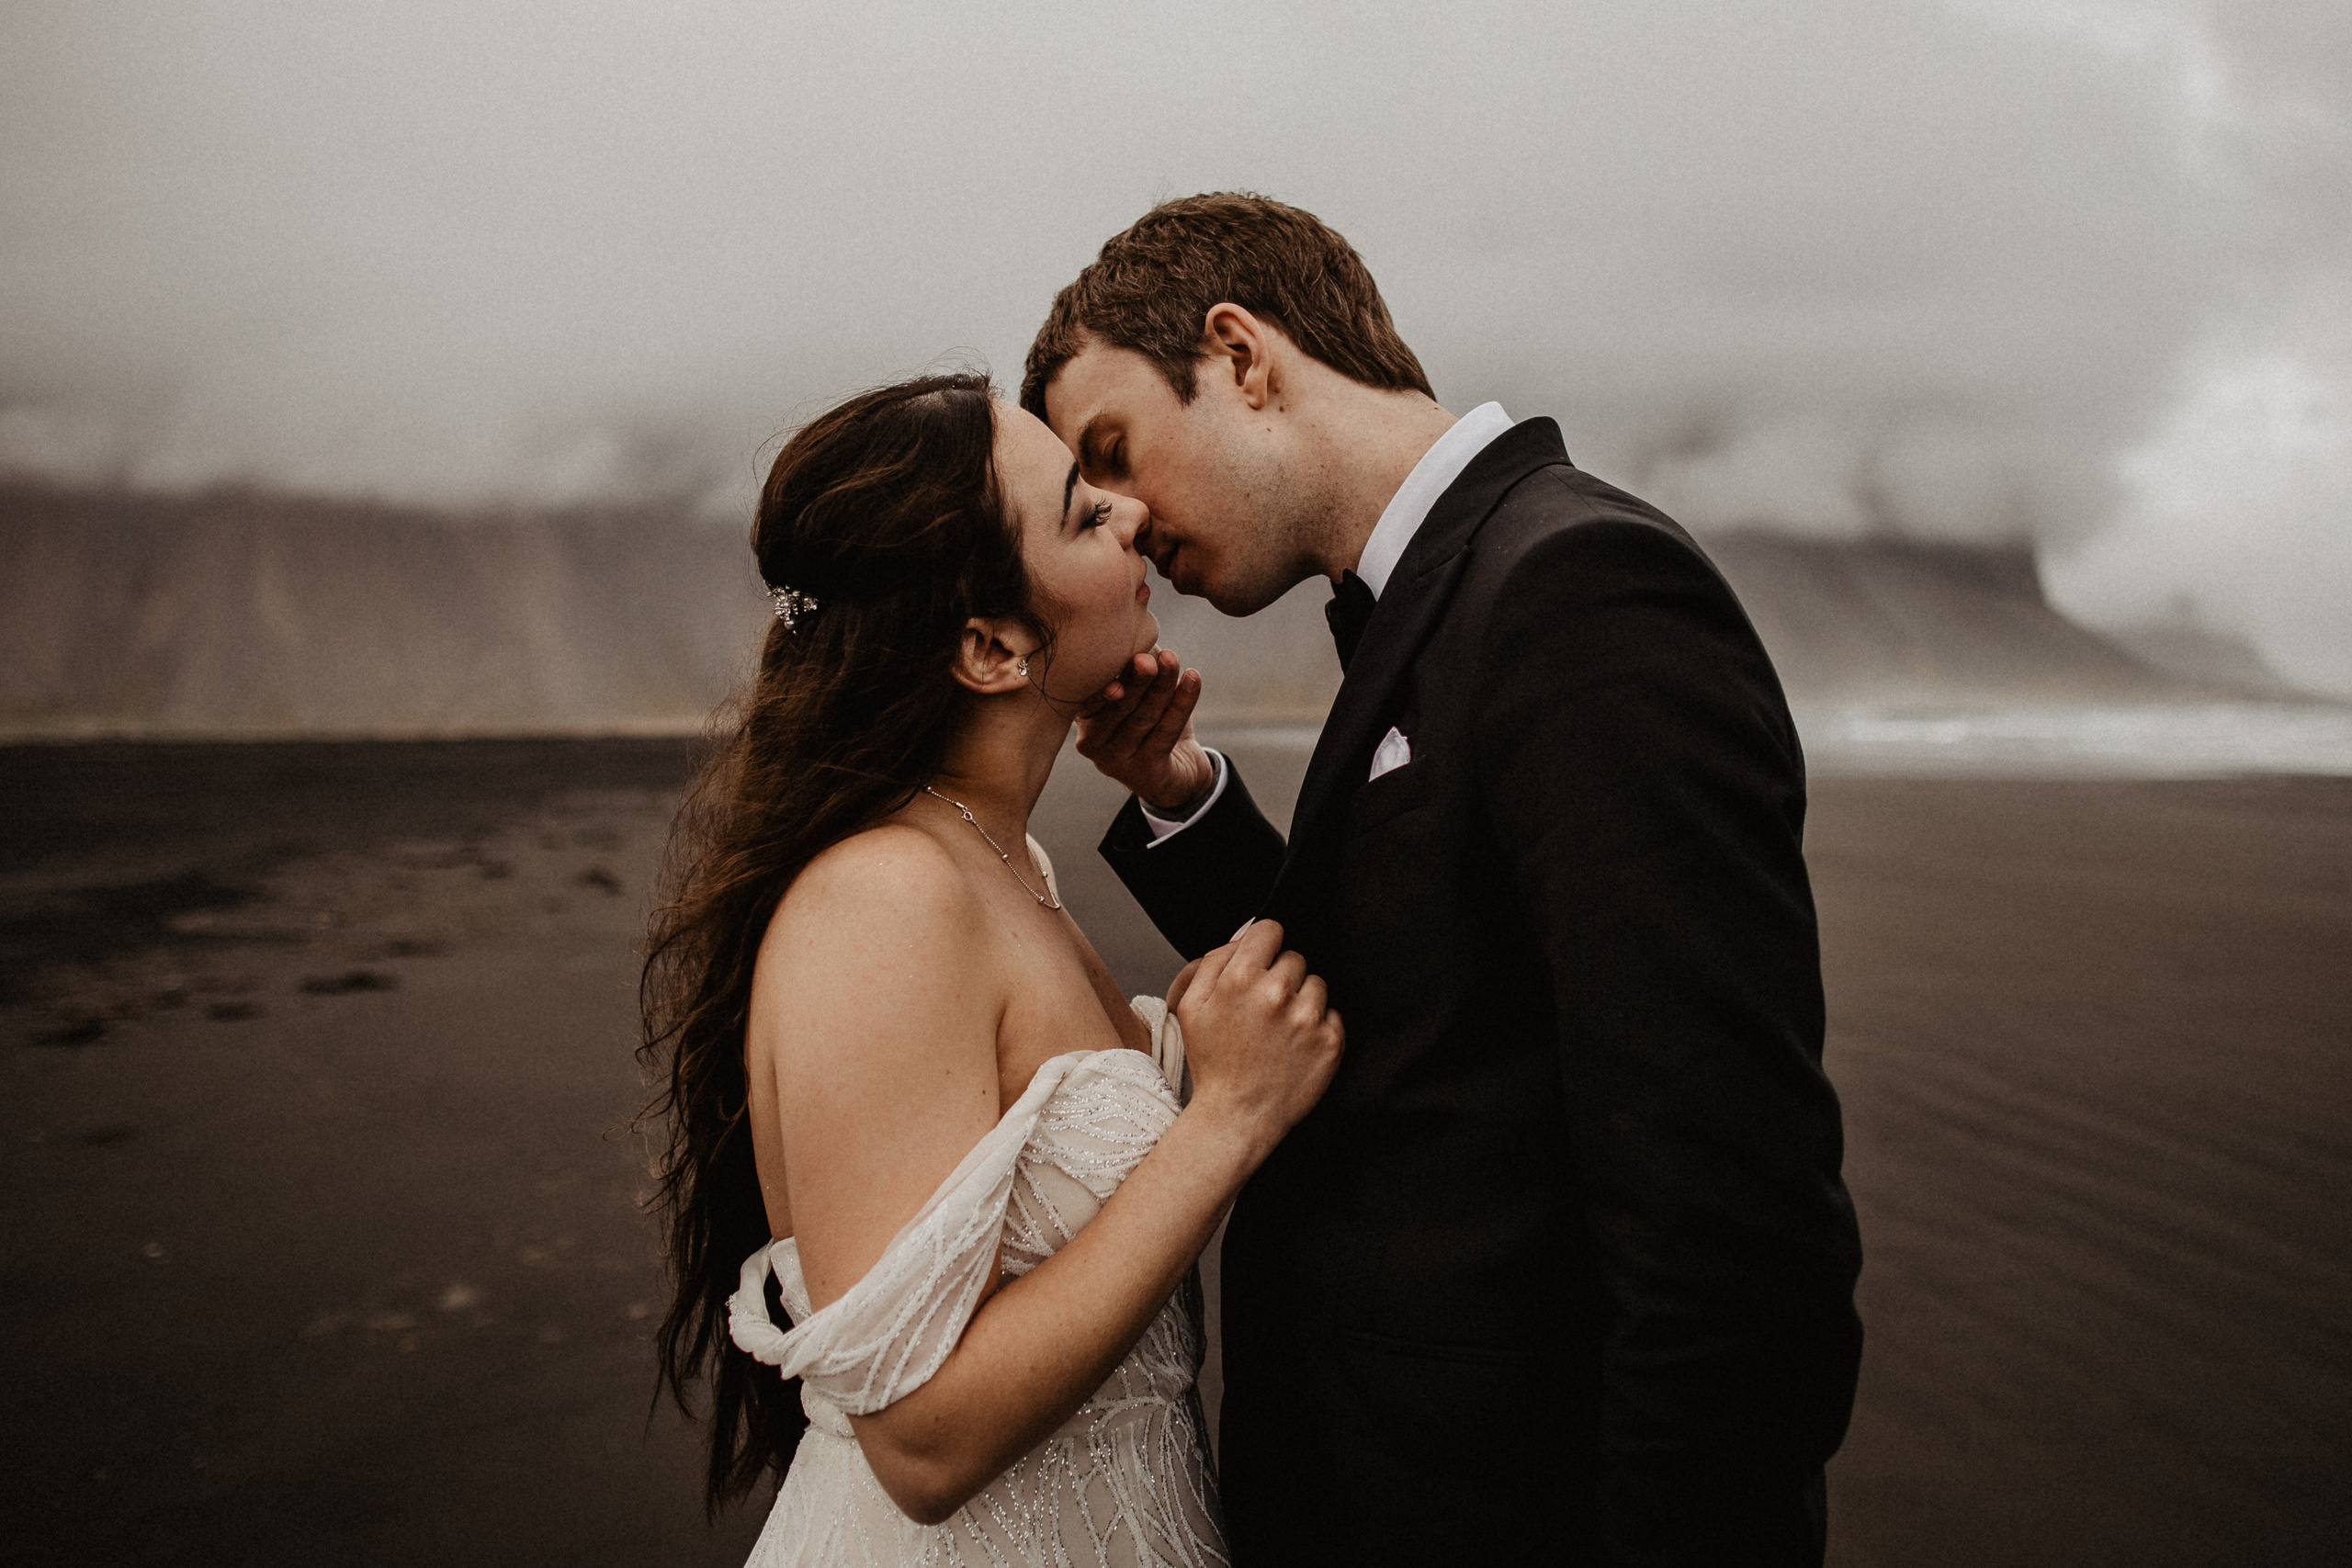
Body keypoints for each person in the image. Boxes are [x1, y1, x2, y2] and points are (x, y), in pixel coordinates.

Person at [1023, 194, 1865, 1565]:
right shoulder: (1448, 601)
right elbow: (1413, 1008)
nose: (1122, 526)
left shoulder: (1578, 591)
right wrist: (1180, 795)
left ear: (1242, 355)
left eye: (1113, 453)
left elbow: (1732, 1232)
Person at [638, 373, 1344, 1567]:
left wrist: (1172, 788)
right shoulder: (884, 899)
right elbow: (921, 1444)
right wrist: (1221, 1121)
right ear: (989, 644)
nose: (1127, 514)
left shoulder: (996, 860)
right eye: (1079, 514)